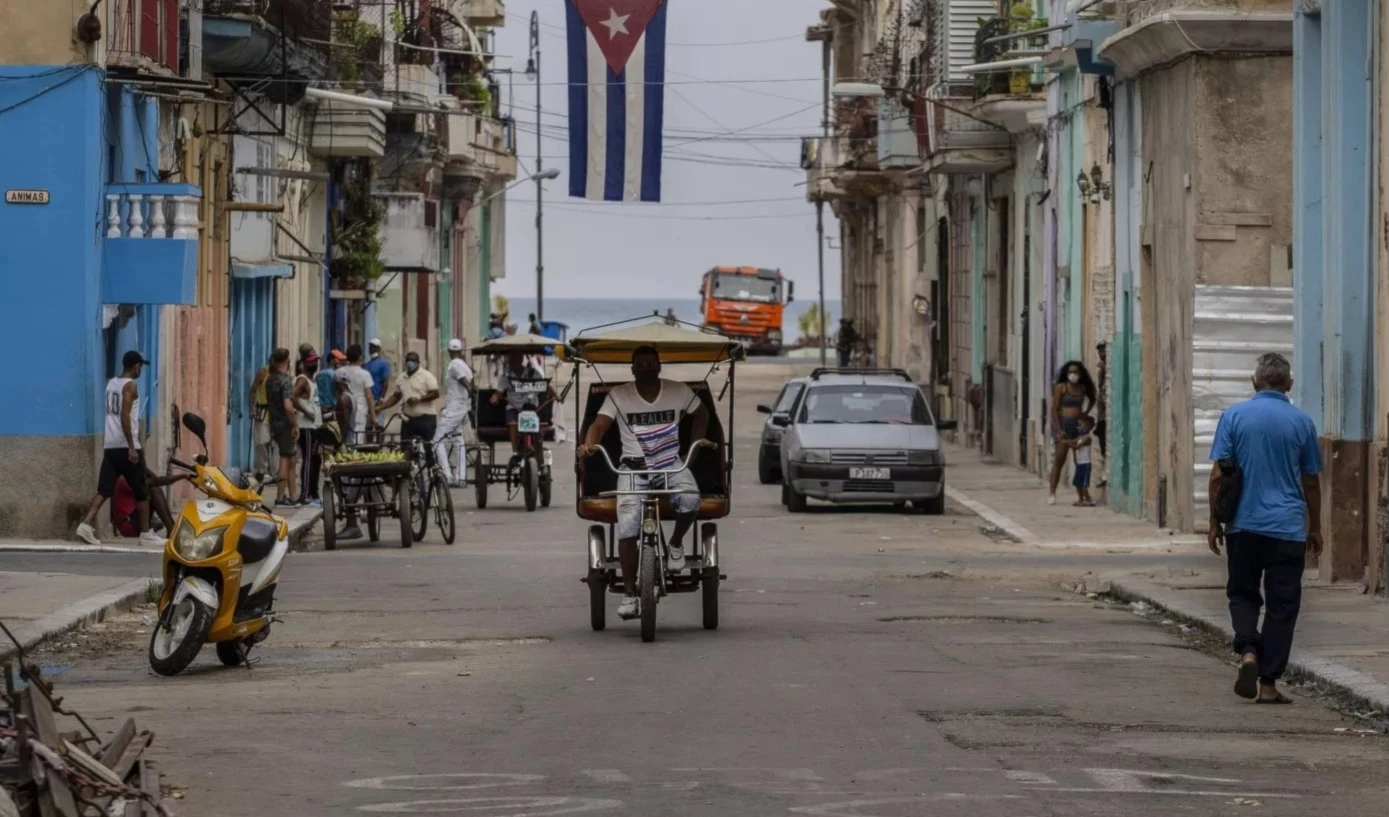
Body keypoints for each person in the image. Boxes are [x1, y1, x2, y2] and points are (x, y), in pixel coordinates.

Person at [1208, 353, 1323, 705]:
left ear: (1254, 381)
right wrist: (1314, 527)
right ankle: (1269, 685)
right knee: (1281, 606)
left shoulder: (1234, 416)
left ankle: (1247, 652)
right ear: (1288, 384)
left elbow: (1218, 475)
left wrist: (1214, 522)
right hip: (1287, 529)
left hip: (1243, 525)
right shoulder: (1301, 422)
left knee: (1242, 594)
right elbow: (1311, 481)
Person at [576, 345, 711, 621]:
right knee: (626, 526)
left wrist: (693, 447)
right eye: (642, 365)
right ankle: (629, 594)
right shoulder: (619, 394)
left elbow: (702, 414)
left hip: (670, 463)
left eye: (652, 364)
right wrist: (589, 445)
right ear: (633, 369)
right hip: (632, 468)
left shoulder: (678, 390)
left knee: (690, 499)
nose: (647, 369)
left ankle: (675, 543)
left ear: (659, 366)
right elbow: (599, 425)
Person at [76, 351, 163, 547]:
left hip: (111, 444)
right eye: (140, 366)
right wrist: (132, 447)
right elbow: (124, 415)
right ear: (135, 366)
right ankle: (145, 533)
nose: (141, 369)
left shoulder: (111, 384)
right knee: (142, 490)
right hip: (126, 445)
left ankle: (86, 524)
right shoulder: (130, 386)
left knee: (104, 489)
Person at [1047, 360, 1097, 505]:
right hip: (1065, 425)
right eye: (1070, 372)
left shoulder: (1082, 389)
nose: (1073, 375)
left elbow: (1093, 399)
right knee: (1059, 461)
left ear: (1080, 374)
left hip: (1078, 426)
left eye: (1075, 372)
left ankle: (1084, 495)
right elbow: (1055, 409)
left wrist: (1085, 413)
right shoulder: (1061, 387)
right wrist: (1059, 429)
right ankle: (1052, 492)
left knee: (1080, 462)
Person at [491, 350, 551, 464]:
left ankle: (539, 454)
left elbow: (545, 386)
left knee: (538, 429)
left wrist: (553, 394)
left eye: (515, 359)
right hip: (514, 408)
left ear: (520, 359)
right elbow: (498, 392)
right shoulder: (506, 377)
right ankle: (515, 452)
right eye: (510, 360)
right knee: (512, 423)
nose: (512, 362)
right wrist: (495, 397)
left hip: (531, 408)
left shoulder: (533, 373)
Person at [378, 351, 441, 447]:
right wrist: (381, 407)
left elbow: (435, 393)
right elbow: (396, 396)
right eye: (408, 360)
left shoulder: (426, 376)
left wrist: (419, 399)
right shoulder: (401, 377)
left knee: (428, 448)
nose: (410, 363)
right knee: (406, 448)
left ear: (418, 362)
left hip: (426, 418)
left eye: (413, 360)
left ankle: (429, 461)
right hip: (408, 419)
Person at [434, 339, 475, 487]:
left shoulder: (454, 365)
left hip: (455, 410)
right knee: (458, 441)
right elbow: (462, 387)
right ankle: (461, 477)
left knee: (437, 441)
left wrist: (471, 395)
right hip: (459, 407)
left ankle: (447, 475)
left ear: (449, 351)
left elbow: (466, 384)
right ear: (461, 350)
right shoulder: (466, 366)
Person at [264, 348, 299, 506]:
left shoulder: (270, 379)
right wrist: (294, 423)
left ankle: (292, 495)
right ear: (286, 362)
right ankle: (280, 496)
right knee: (285, 458)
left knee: (290, 457)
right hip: (285, 423)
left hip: (273, 421)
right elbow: (287, 406)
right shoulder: (285, 380)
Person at [294, 352, 324, 506]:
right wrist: (306, 412)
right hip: (306, 426)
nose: (314, 364)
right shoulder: (302, 380)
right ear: (304, 364)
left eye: (316, 361)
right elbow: (292, 397)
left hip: (315, 426)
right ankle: (305, 494)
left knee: (316, 460)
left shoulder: (312, 380)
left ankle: (313, 493)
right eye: (311, 362)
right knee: (308, 460)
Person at [336, 344, 376, 447]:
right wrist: (373, 416)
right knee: (357, 439)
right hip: (359, 410)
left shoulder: (339, 372)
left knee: (344, 435)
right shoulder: (365, 374)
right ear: (360, 357)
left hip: (343, 408)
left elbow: (337, 390)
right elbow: (369, 396)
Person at [248, 358, 274, 476]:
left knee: (275, 445)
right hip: (263, 413)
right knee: (261, 443)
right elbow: (253, 390)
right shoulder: (263, 372)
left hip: (276, 415)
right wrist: (251, 409)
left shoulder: (284, 375)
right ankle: (261, 470)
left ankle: (275, 472)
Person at [1069, 415, 1095, 507]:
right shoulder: (1080, 437)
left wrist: (1072, 446)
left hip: (1085, 463)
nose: (1080, 427)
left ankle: (1088, 499)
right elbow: (1072, 442)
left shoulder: (1087, 438)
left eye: (1082, 425)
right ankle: (1081, 499)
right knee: (1077, 482)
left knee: (1084, 484)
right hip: (1079, 463)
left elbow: (1076, 446)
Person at [365, 338, 391, 403]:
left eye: (374, 347)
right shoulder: (367, 364)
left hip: (376, 399)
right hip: (366, 398)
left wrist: (381, 398)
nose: (371, 349)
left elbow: (385, 383)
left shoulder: (383, 364)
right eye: (370, 347)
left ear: (379, 349)